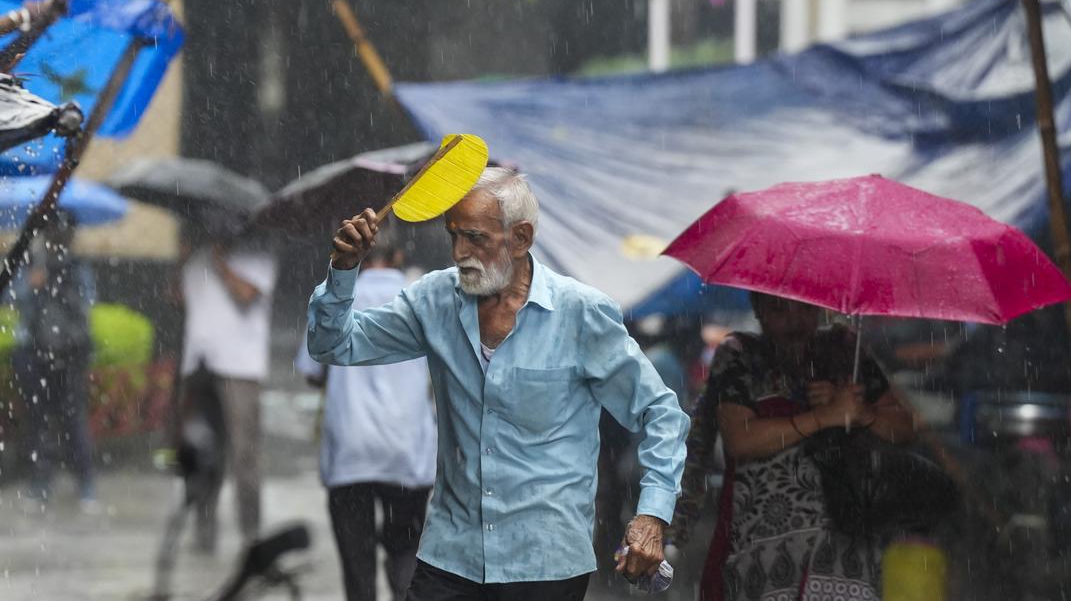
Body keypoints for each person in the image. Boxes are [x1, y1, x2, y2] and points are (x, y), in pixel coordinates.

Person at [307, 167, 689, 600]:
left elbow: (660, 412)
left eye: (475, 238)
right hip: (450, 557)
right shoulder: (434, 300)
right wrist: (342, 270)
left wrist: (652, 516)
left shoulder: (581, 314)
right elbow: (332, 345)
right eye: (453, 235)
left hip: (545, 562)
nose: (459, 252)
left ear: (521, 238)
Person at [675, 292, 915, 601]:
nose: (794, 320)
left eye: (805, 307)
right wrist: (823, 416)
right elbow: (741, 440)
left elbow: (904, 429)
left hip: (843, 548)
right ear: (758, 309)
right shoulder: (739, 356)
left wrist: (860, 413)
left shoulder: (845, 350)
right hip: (759, 552)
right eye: (778, 308)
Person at [294, 234, 437, 601]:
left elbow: (312, 368)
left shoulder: (334, 298)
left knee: (357, 568)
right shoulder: (421, 298)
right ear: (400, 254)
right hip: (406, 450)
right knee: (406, 553)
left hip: (350, 449)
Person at [179, 238, 277, 552]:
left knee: (244, 455)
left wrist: (221, 263)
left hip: (240, 369)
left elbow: (246, 294)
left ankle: (251, 535)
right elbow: (179, 298)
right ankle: (204, 531)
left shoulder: (260, 254)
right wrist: (183, 261)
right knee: (203, 449)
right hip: (200, 366)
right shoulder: (197, 256)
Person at [13, 213, 98, 510]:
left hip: (69, 353)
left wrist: (62, 286)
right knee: (38, 418)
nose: (58, 239)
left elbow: (87, 305)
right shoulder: (32, 263)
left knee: (73, 418)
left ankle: (85, 483)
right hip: (35, 350)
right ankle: (41, 483)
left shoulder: (76, 267)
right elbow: (14, 298)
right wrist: (32, 283)